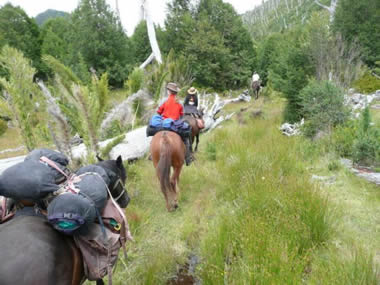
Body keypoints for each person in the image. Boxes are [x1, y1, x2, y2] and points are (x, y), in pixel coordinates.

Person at [157, 82, 192, 166]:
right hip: (175, 126)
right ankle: (188, 158)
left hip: (165, 125)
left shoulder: (164, 100)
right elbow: (182, 115)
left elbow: (158, 112)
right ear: (176, 92)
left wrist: (163, 116)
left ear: (169, 91)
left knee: (155, 137)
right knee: (186, 140)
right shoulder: (179, 102)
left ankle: (151, 154)